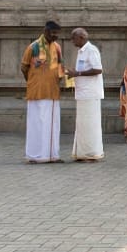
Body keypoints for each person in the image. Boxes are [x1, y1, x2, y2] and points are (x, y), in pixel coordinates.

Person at [21, 21, 65, 163]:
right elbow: (24, 67)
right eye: (53, 33)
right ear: (46, 31)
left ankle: (52, 155)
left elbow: (60, 65)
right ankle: (35, 155)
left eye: (57, 34)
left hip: (52, 91)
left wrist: (61, 78)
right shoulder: (33, 47)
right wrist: (33, 81)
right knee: (37, 123)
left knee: (52, 125)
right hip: (36, 91)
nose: (56, 36)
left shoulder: (57, 47)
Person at [66, 28, 104, 162]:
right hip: (83, 93)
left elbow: (98, 69)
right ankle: (82, 152)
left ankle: (91, 153)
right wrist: (74, 73)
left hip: (90, 93)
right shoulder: (81, 52)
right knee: (82, 124)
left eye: (73, 38)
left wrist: (78, 74)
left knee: (90, 125)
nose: (72, 41)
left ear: (81, 37)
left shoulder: (91, 50)